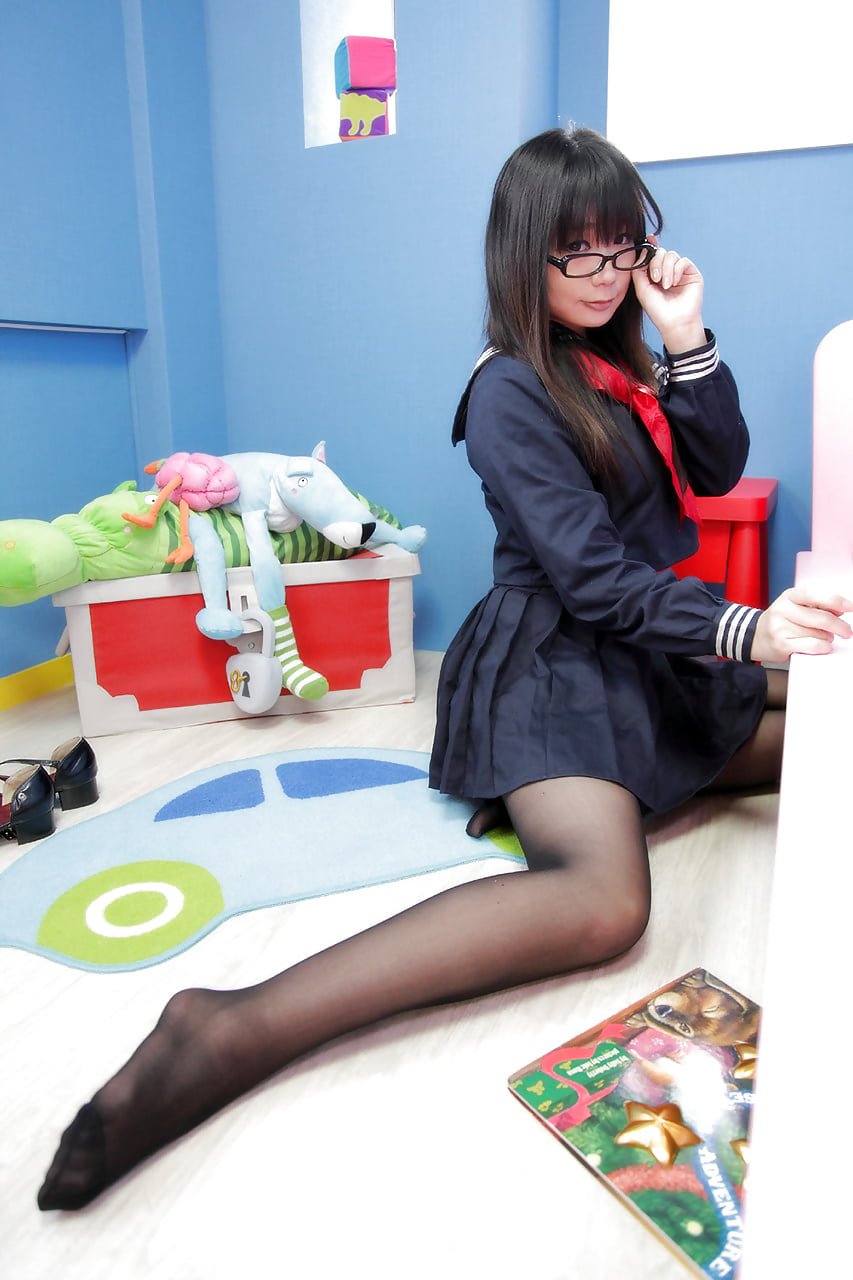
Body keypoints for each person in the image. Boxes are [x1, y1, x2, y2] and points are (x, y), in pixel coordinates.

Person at [37, 126, 851, 1211]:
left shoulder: (620, 356)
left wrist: (685, 334)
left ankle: (674, 739)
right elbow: (593, 581)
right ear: (523, 251)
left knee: (820, 709)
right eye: (579, 251)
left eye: (624, 246)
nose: (607, 274)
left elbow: (717, 465)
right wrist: (746, 629)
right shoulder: (508, 390)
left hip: (639, 645)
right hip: (550, 659)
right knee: (605, 902)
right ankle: (227, 1026)